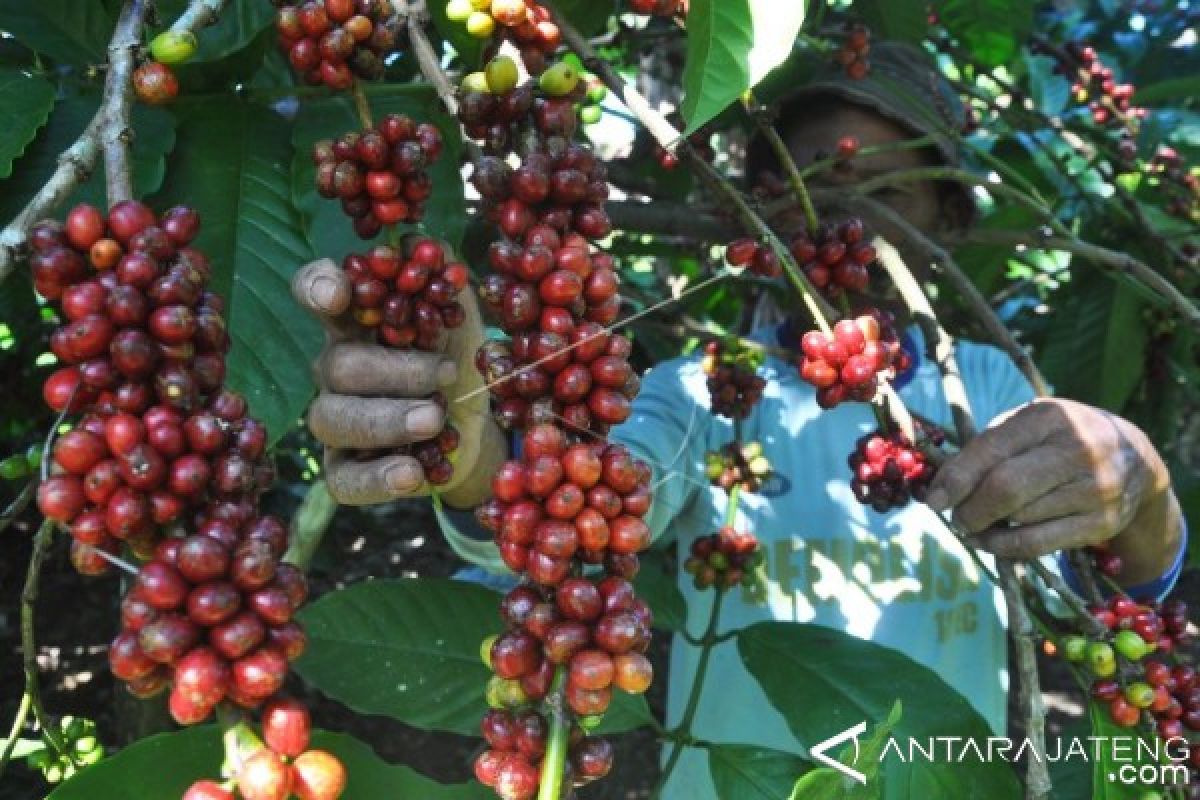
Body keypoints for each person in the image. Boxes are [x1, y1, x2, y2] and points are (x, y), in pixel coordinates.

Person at [289, 42, 1186, 798]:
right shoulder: (710, 389)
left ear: (947, 220)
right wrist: (484, 459)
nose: (846, 221)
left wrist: (1140, 490)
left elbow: (1117, 584)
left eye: (887, 193)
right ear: (754, 214)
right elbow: (607, 490)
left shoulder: (988, 388)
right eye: (813, 189)